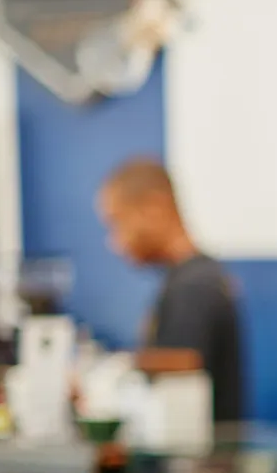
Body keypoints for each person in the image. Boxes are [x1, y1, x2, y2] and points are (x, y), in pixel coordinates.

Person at [97, 157, 246, 424]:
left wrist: (112, 368)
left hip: (202, 461)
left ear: (155, 207)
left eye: (118, 222)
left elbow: (184, 361)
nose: (115, 242)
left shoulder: (195, 284)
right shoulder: (187, 278)